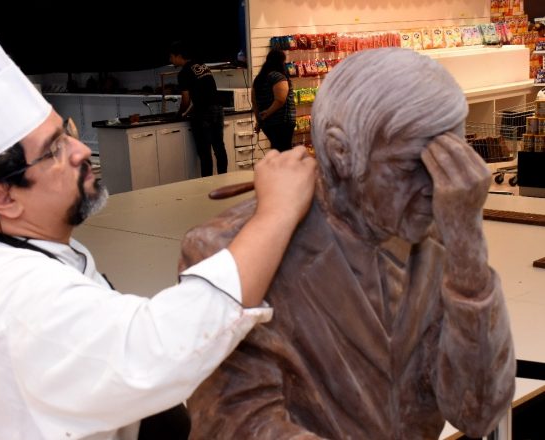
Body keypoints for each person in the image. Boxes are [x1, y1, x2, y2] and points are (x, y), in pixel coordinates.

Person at [0, 2, 318, 439]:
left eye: (66, 134)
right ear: (2, 197)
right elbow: (161, 348)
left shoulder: (36, 249)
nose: (82, 149)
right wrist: (276, 212)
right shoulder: (17, 298)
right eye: (55, 150)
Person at [179, 48, 515, 440]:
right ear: (341, 152)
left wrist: (468, 245)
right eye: (412, 166)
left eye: (448, 162)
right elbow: (236, 425)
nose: (440, 189)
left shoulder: (439, 235)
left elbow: (478, 412)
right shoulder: (234, 252)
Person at [169, 41, 228, 177]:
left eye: (171, 56)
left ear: (178, 56)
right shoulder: (202, 66)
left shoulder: (184, 73)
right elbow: (202, 95)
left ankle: (207, 183)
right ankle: (224, 178)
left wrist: (179, 114)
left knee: (204, 151)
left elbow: (186, 100)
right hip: (217, 108)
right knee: (219, 146)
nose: (170, 60)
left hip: (203, 113)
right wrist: (188, 112)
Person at [251, 48, 296, 152]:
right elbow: (280, 100)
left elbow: (254, 101)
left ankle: (275, 168)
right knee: (284, 152)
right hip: (282, 121)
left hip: (268, 124)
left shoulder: (259, 78)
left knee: (277, 150)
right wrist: (267, 113)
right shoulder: (278, 76)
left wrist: (259, 120)